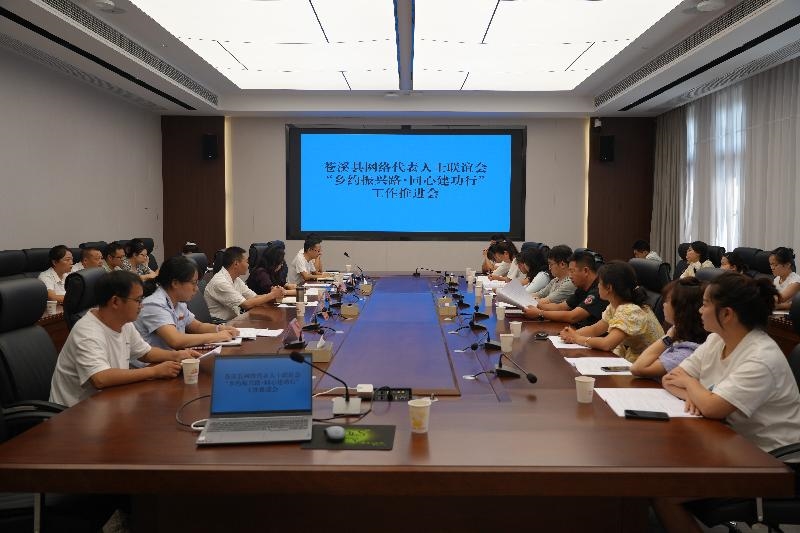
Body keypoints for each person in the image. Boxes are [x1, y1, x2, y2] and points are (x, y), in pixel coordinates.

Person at [657, 272, 800, 532]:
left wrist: (694, 388)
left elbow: (710, 405)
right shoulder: (717, 340)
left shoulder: (760, 356)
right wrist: (701, 398)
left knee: (663, 490)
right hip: (728, 443)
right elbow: (670, 379)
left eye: (705, 304)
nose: (699, 310)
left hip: (771, 460)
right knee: (658, 470)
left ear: (726, 314)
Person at [49, 271, 198, 407]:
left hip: (110, 400)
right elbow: (100, 378)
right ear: (115, 302)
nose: (141, 306)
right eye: (138, 300)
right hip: (75, 412)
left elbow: (145, 352)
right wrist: (154, 372)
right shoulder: (87, 331)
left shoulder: (124, 322)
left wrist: (176, 355)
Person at [559, 261, 664, 362]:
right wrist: (571, 334)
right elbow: (595, 329)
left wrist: (576, 338)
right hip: (633, 357)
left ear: (609, 287)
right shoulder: (615, 305)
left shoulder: (631, 310)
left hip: (649, 364)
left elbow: (607, 344)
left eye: (599, 283)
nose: (598, 286)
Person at [135, 256, 240, 350]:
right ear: (175, 283)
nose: (196, 289)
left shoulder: (178, 302)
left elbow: (197, 327)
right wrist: (216, 336)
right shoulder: (154, 304)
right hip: (153, 364)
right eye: (193, 283)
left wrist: (220, 329)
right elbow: (175, 340)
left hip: (172, 359)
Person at [630, 278, 707, 377]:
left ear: (682, 309)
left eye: (667, 300)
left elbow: (637, 368)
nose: (663, 304)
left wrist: (668, 337)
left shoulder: (687, 352)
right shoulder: (680, 336)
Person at [524, 250, 608, 328]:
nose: (570, 276)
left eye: (572, 271)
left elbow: (573, 317)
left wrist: (540, 313)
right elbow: (561, 307)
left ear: (585, 271)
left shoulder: (599, 290)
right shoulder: (582, 287)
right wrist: (536, 305)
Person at [204, 246, 284, 321]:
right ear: (236, 264)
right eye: (246, 262)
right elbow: (246, 304)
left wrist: (275, 294)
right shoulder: (220, 282)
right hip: (222, 324)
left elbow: (254, 297)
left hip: (235, 320)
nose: (248, 265)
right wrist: (272, 295)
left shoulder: (236, 279)